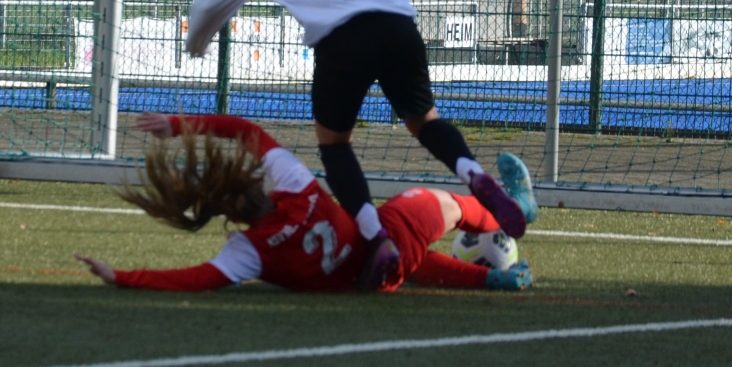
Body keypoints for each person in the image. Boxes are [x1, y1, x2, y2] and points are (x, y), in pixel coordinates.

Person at [185, 0, 547, 291]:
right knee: (425, 122)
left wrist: (198, 42)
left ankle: (378, 238)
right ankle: (474, 174)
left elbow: (208, 4)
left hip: (341, 42)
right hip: (397, 28)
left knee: (335, 145)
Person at [74, 112, 534, 294]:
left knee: (402, 258)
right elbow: (246, 131)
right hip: (389, 238)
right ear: (252, 181)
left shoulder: (247, 252)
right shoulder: (295, 187)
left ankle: (493, 279)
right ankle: (512, 207)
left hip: (371, 282)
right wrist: (178, 125)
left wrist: (123, 277)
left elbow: (195, 279)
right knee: (433, 204)